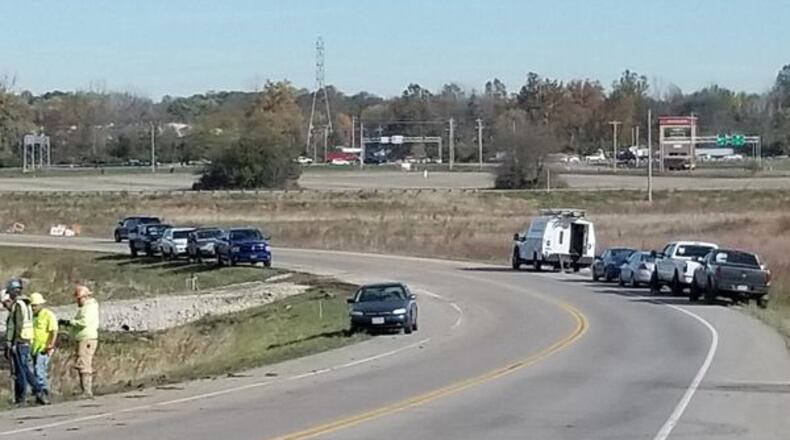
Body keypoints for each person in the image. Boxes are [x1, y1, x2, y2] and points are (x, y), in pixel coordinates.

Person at [5, 280, 46, 405]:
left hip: (20, 340)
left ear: (13, 291)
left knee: (20, 371)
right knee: (25, 369)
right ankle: (38, 391)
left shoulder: (18, 305)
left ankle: (22, 397)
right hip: (27, 340)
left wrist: (11, 342)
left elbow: (17, 325)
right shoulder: (27, 304)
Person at [61, 285, 99, 399]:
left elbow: (84, 322)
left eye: (78, 298)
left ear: (84, 297)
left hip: (86, 338)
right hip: (84, 338)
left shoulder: (89, 308)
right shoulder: (87, 307)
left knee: (84, 363)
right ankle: (86, 390)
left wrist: (70, 322)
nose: (77, 301)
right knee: (82, 362)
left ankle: (87, 391)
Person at [29, 293, 57, 404]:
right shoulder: (33, 317)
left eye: (35, 305)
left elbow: (54, 330)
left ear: (41, 304)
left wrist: (51, 344)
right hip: (34, 348)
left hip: (44, 348)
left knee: (40, 370)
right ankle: (39, 395)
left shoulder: (48, 315)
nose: (33, 308)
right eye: (32, 306)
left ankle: (43, 393)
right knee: (36, 371)